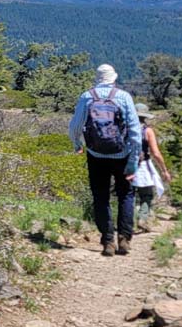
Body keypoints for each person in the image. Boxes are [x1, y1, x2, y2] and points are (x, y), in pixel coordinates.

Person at [69, 64, 142, 257]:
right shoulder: (124, 97)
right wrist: (133, 160)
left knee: (100, 197)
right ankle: (124, 238)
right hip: (122, 154)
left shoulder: (87, 97)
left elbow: (75, 126)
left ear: (97, 78)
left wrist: (77, 144)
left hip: (96, 155)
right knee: (126, 195)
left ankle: (108, 240)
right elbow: (135, 132)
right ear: (113, 78)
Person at [131, 103, 172, 232]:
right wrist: (164, 170)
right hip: (142, 166)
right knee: (146, 194)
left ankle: (127, 222)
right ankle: (142, 218)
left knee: (128, 195)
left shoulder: (124, 128)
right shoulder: (147, 131)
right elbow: (155, 153)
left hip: (124, 165)